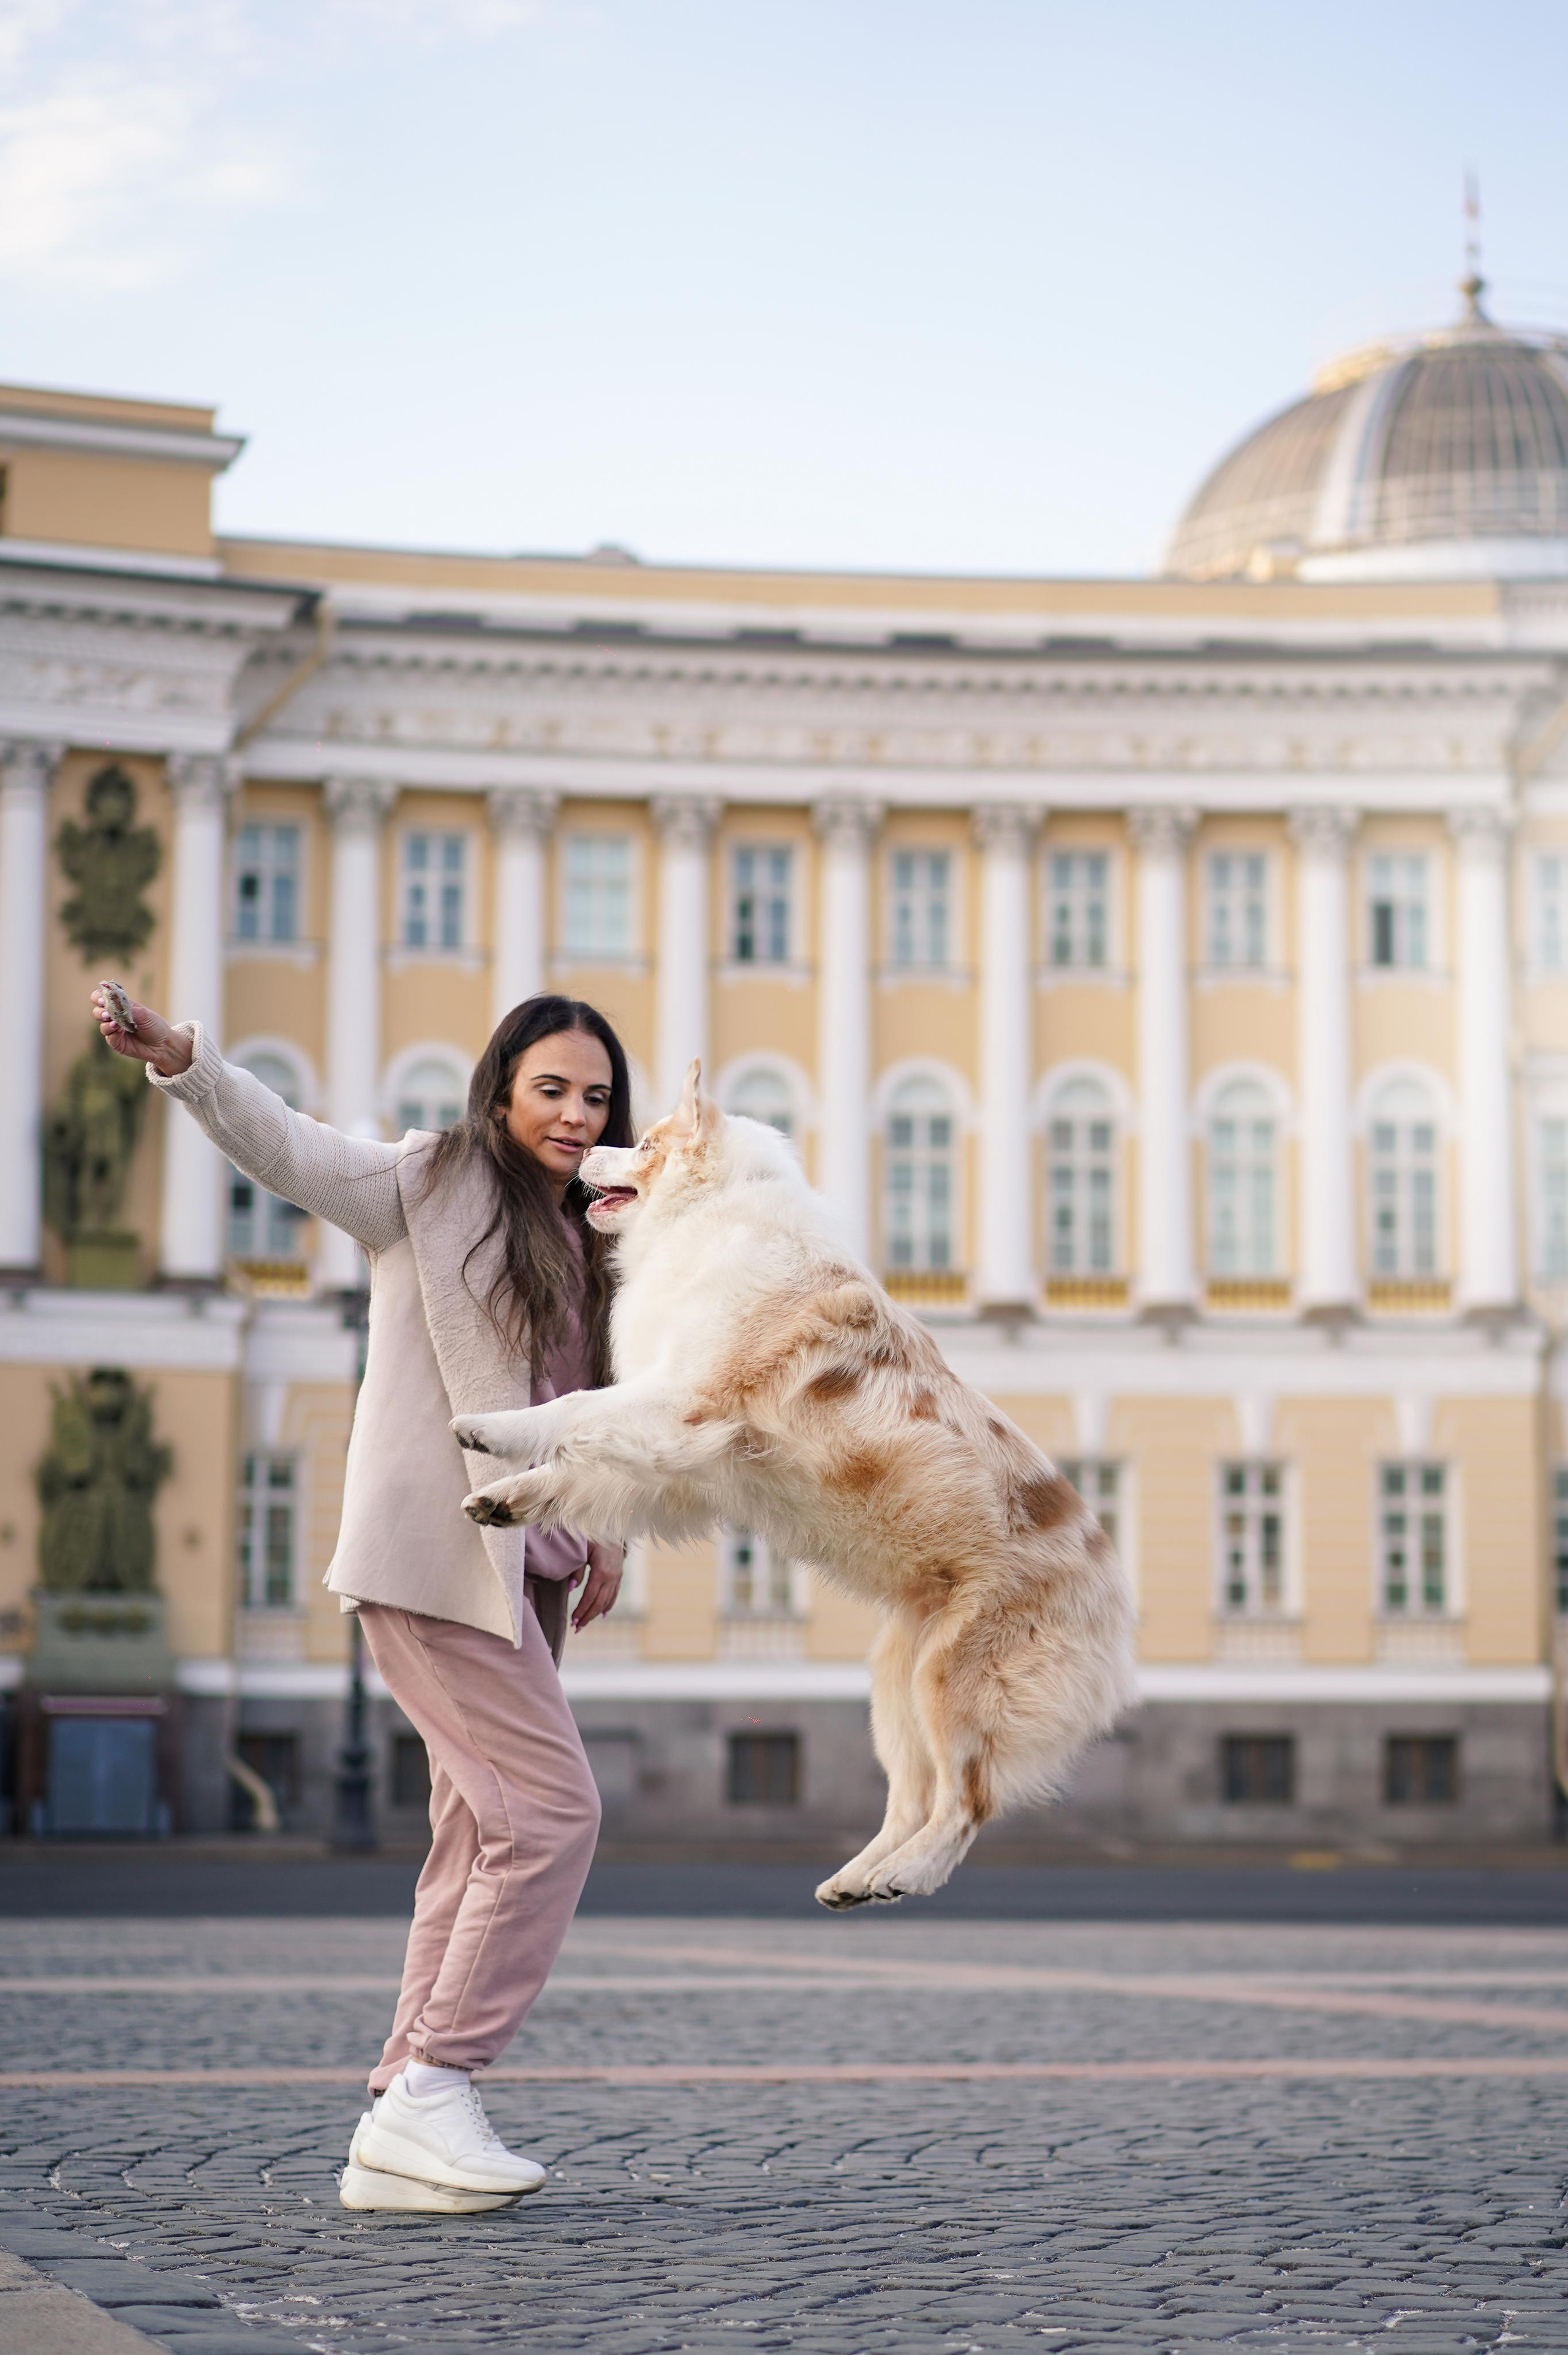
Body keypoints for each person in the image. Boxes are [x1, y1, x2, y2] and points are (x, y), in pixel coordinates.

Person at [94, 984, 631, 2215]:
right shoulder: (426, 1183)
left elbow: (587, 1403)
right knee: (552, 1814)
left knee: (475, 1832)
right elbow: (288, 1147)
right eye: (549, 1087)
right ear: (499, 1090)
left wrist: (601, 1528)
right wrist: (187, 1063)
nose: (572, 1111)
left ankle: (401, 2108)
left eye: (593, 1094)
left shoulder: (596, 1230)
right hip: (433, 1561)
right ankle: (438, 2083)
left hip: (524, 1577)